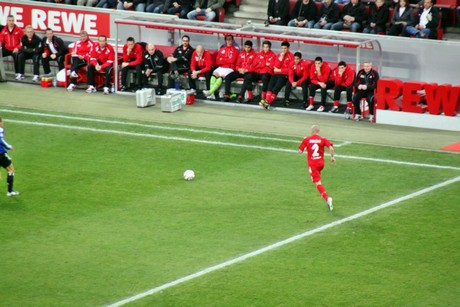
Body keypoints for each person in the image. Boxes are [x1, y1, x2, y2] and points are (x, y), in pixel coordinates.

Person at [298, 125, 335, 211]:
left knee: (318, 183)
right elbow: (331, 148)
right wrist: (332, 158)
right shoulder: (323, 139)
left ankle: (327, 199)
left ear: (312, 131)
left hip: (313, 164)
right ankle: (327, 198)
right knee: (317, 178)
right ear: (318, 132)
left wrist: (305, 144)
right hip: (321, 164)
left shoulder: (307, 139)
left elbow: (300, 152)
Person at [259, 41, 294, 109]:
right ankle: (267, 101)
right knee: (270, 86)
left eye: (285, 48)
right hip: (276, 74)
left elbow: (290, 69)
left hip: (284, 75)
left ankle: (268, 102)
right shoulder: (278, 55)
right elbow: (275, 66)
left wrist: (280, 70)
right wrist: (281, 58)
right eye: (282, 48)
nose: (283, 50)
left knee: (276, 88)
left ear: (288, 48)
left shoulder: (291, 56)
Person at [203, 34, 238, 100]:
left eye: (230, 39)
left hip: (229, 68)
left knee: (221, 76)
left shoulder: (235, 50)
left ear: (232, 40)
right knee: (214, 74)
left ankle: (210, 92)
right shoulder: (222, 49)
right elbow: (217, 61)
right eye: (227, 40)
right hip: (221, 67)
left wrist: (223, 59)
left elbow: (232, 61)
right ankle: (212, 95)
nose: (228, 41)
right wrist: (226, 60)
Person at [0, 15, 24, 80]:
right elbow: (1, 41)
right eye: (10, 20)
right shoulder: (4, 30)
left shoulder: (19, 30)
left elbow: (23, 41)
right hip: (7, 48)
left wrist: (18, 48)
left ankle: (18, 73)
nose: (11, 22)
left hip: (15, 49)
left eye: (12, 20)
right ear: (7, 21)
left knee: (17, 56)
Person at [0, 118, 19, 197]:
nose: (3, 123)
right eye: (2, 122)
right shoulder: (0, 129)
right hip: (0, 154)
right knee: (11, 169)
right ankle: (10, 192)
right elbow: (0, 140)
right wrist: (9, 146)